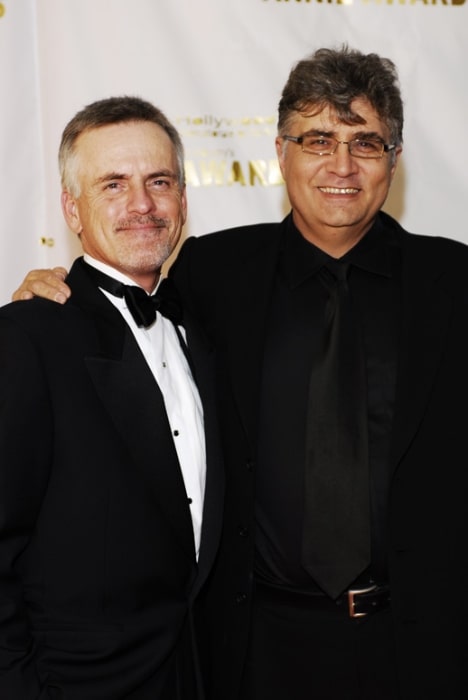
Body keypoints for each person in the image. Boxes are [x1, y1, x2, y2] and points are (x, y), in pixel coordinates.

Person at [12, 46, 468, 699]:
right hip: (252, 652)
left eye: (366, 142)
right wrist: (52, 290)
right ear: (281, 153)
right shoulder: (213, 274)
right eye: (318, 139)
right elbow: (121, 318)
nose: (341, 164)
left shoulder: (454, 285)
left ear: (394, 161)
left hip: (418, 649)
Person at [0, 95, 223, 699]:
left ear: (183, 197)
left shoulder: (206, 324)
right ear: (72, 209)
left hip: (200, 673)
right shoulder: (26, 337)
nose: (142, 205)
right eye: (113, 185)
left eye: (159, 181)